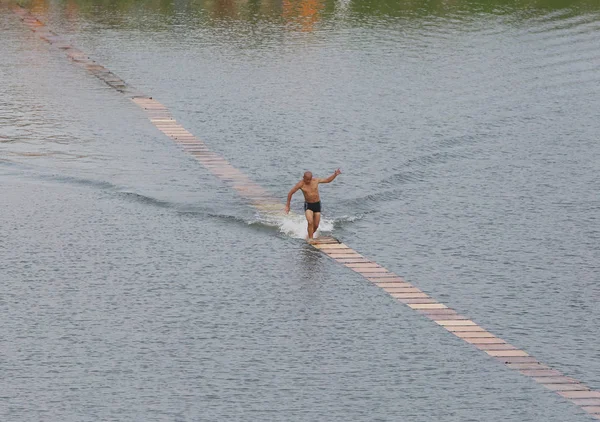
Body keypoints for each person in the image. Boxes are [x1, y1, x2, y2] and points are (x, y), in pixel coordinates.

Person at [285, 169, 342, 242]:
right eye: (307, 179)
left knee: (315, 226)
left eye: (309, 179)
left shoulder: (315, 181)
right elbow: (290, 193)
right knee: (310, 221)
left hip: (317, 205)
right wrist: (287, 205)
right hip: (308, 205)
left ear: (311, 178)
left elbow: (327, 180)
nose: (308, 181)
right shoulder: (300, 184)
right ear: (303, 177)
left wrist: (335, 175)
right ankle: (311, 239)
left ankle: (308, 235)